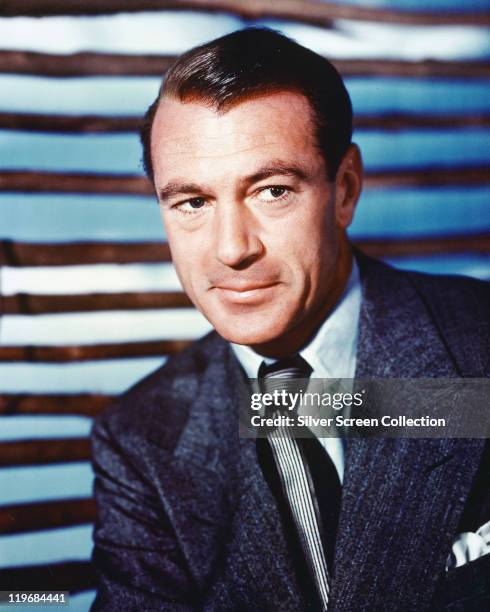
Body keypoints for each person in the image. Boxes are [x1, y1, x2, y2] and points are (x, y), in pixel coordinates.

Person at [90, 28, 489, 611]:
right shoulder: (140, 438)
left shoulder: (479, 346)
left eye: (272, 191)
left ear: (345, 189)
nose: (232, 249)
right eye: (192, 202)